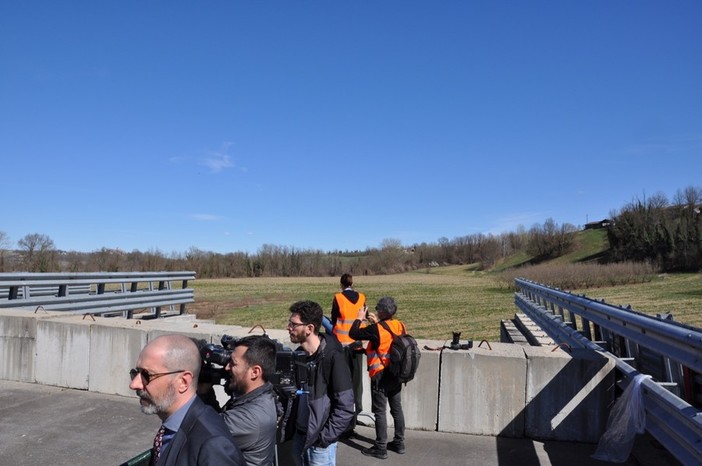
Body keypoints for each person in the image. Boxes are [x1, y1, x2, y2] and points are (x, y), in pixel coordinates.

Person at [129, 334, 244, 466]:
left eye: (146, 375)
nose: (134, 384)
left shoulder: (213, 445)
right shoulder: (176, 426)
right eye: (135, 373)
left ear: (183, 382)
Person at [286, 300, 355, 466]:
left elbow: (346, 407)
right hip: (299, 436)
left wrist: (324, 438)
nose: (288, 328)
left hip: (319, 444)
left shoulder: (333, 358)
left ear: (309, 329)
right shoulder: (298, 356)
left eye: (293, 324)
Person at [349, 297, 407, 459]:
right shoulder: (400, 325)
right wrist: (376, 322)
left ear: (381, 311)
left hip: (380, 374)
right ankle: (399, 442)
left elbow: (353, 333)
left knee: (379, 411)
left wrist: (359, 318)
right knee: (396, 408)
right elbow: (389, 341)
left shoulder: (376, 329)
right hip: (396, 373)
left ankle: (381, 447)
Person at [220, 335, 279, 466]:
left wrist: (196, 390)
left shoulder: (251, 418)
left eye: (233, 364)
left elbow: (200, 431)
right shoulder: (260, 396)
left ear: (255, 372)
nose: (227, 368)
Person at [330, 273, 366, 436]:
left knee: (342, 385)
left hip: (342, 347)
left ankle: (343, 422)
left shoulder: (338, 298)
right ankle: (354, 417)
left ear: (341, 284)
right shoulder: (362, 297)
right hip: (357, 346)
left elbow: (333, 320)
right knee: (356, 385)